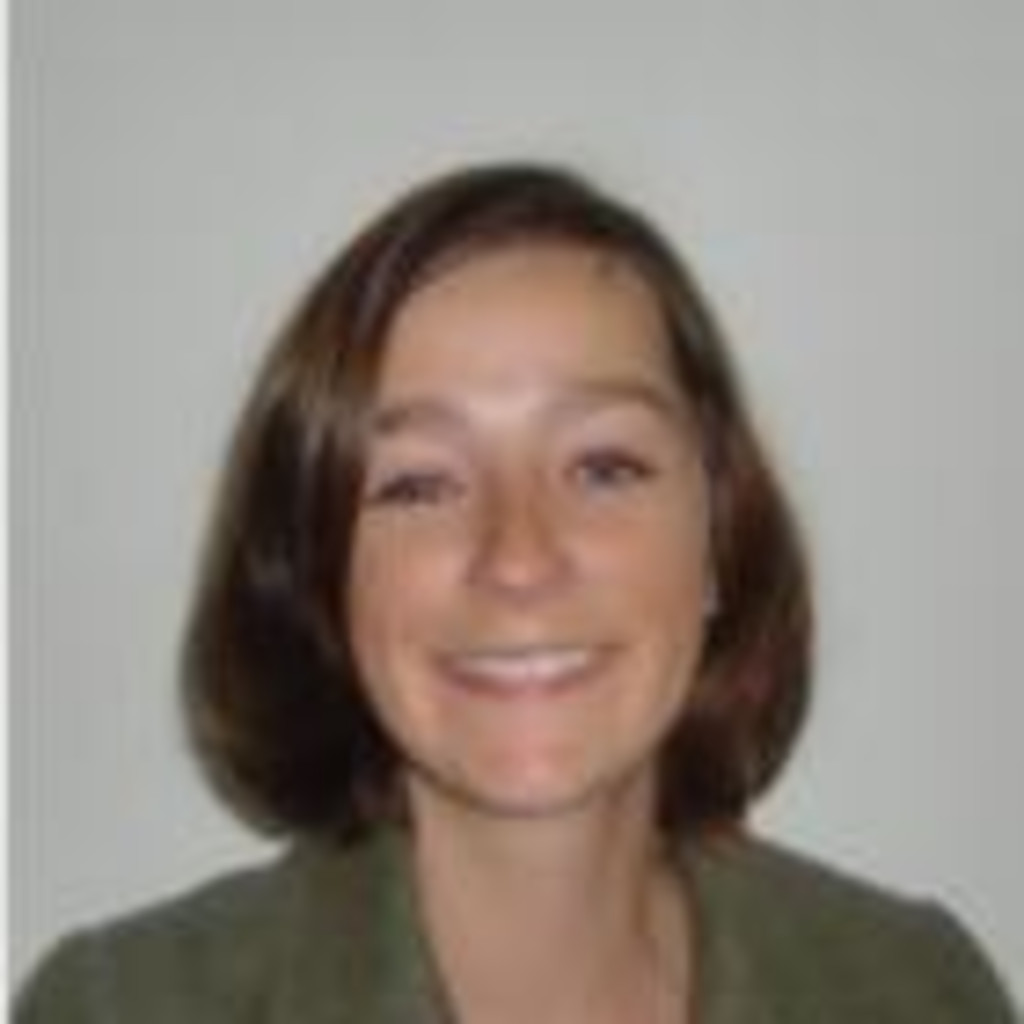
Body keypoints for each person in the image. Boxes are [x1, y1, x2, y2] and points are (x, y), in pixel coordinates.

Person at [17, 163, 1016, 1023]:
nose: (519, 557)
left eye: (604, 467)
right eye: (419, 484)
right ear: (319, 573)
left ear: (716, 537)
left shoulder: (920, 990)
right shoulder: (121, 1006)